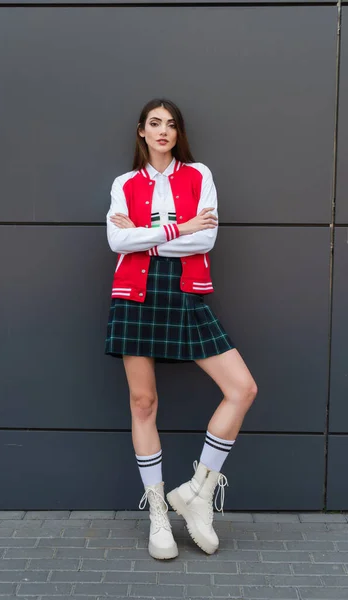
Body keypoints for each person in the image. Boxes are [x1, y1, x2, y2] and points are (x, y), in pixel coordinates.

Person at [105, 98, 257, 560]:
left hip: (187, 292)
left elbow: (205, 238)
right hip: (135, 296)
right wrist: (178, 230)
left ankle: (197, 491)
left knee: (242, 389)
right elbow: (116, 240)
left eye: (171, 125)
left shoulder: (199, 175)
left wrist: (145, 238)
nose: (163, 131)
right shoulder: (124, 183)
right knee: (143, 402)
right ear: (141, 132)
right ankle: (157, 516)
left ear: (178, 133)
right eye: (155, 124)